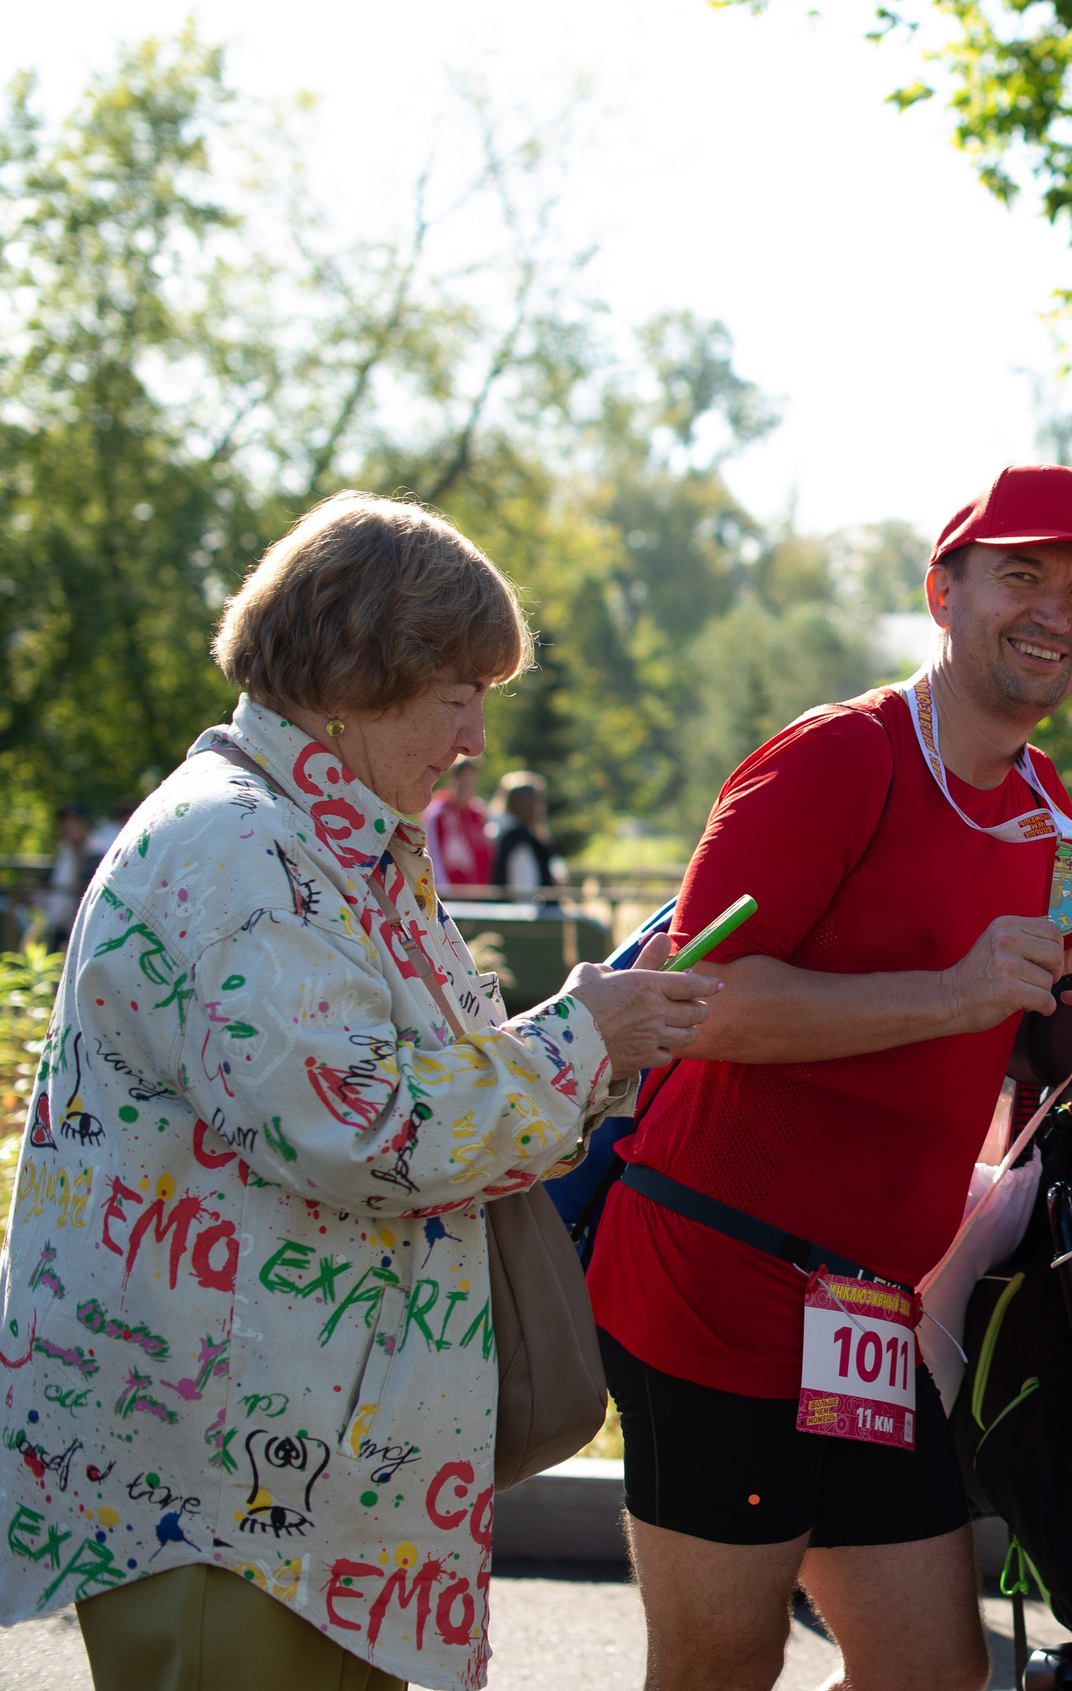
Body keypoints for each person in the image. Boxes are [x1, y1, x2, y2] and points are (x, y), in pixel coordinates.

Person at [0, 491, 714, 1691]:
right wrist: (582, 1043)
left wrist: (591, 1044)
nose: (476, 739)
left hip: (303, 1483)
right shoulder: (241, 851)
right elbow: (363, 1128)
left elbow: (409, 1091)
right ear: (351, 675)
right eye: (457, 694)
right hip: (233, 1498)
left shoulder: (322, 837)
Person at [583, 463, 1072, 1691]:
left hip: (868, 1310)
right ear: (942, 590)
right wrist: (954, 997)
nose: (1056, 614)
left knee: (931, 1668)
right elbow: (691, 1007)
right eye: (1020, 575)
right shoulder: (832, 760)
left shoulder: (1038, 795)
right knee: (720, 1665)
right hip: (717, 1276)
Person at [426, 757, 496, 893]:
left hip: (477, 896)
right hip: (449, 895)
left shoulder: (479, 812)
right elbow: (433, 853)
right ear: (452, 778)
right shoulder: (438, 813)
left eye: (471, 779)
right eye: (462, 778)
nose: (466, 784)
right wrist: (445, 891)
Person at [489, 770, 562, 901]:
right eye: (538, 800)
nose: (543, 806)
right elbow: (524, 892)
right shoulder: (519, 842)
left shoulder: (512, 836)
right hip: (522, 917)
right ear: (525, 804)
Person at [38, 802, 99, 950]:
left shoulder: (98, 852)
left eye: (74, 822)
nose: (69, 827)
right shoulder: (64, 851)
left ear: (85, 823)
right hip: (59, 925)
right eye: (66, 823)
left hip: (86, 927)